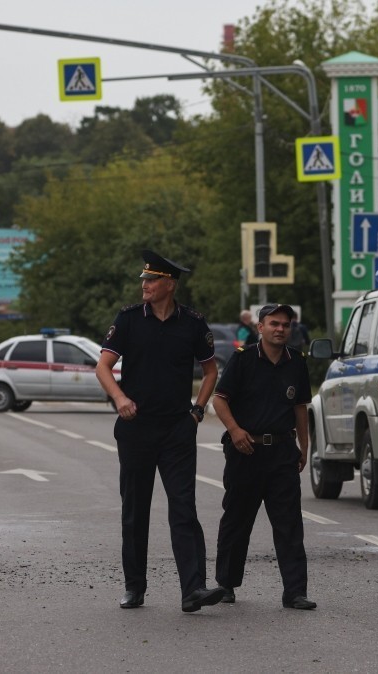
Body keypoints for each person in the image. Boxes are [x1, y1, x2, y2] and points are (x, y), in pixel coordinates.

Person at [95, 250, 225, 613]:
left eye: (151, 280)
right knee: (135, 510)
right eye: (144, 280)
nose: (145, 286)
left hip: (176, 431)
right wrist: (120, 397)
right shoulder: (129, 320)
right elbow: (103, 367)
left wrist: (197, 411)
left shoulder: (193, 324)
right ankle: (135, 587)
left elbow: (211, 371)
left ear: (170, 284)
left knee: (184, 508)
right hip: (136, 429)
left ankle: (193, 589)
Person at [213, 304, 316, 610]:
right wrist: (235, 431)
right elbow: (220, 401)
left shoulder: (296, 361)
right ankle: (226, 584)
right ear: (261, 327)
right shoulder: (243, 359)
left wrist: (304, 447)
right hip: (246, 451)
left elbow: (300, 407)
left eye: (285, 324)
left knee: (289, 524)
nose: (280, 329)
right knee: (237, 519)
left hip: (282, 452)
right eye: (274, 323)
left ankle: (295, 591)